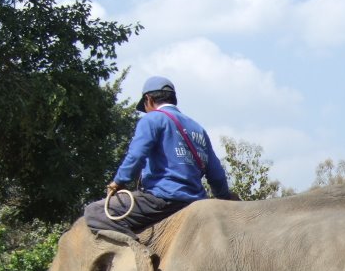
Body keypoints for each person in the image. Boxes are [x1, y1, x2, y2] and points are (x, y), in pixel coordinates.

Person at [84, 75, 235, 238]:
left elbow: (136, 156)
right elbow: (217, 174)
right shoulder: (197, 128)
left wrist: (118, 182)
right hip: (196, 201)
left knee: (94, 211)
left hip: (161, 200)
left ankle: (136, 250)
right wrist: (224, 198)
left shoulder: (152, 119)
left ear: (148, 99)